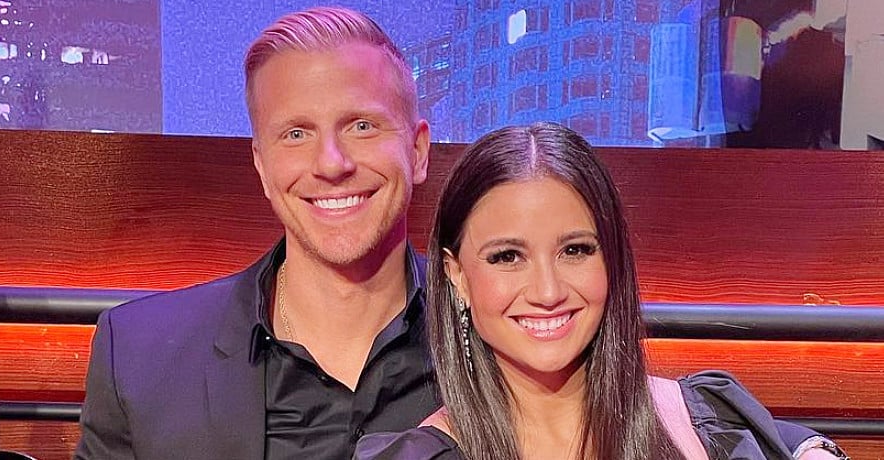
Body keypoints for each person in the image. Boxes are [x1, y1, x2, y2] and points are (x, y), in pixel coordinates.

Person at [354, 123, 849, 460]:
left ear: (611, 256)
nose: (547, 291)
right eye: (508, 257)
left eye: (575, 251)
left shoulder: (705, 425)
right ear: (456, 274)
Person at [75, 7, 438, 459]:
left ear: (418, 151)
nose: (331, 163)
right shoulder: (137, 354)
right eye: (296, 134)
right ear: (262, 167)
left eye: (362, 126)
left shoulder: (496, 338)